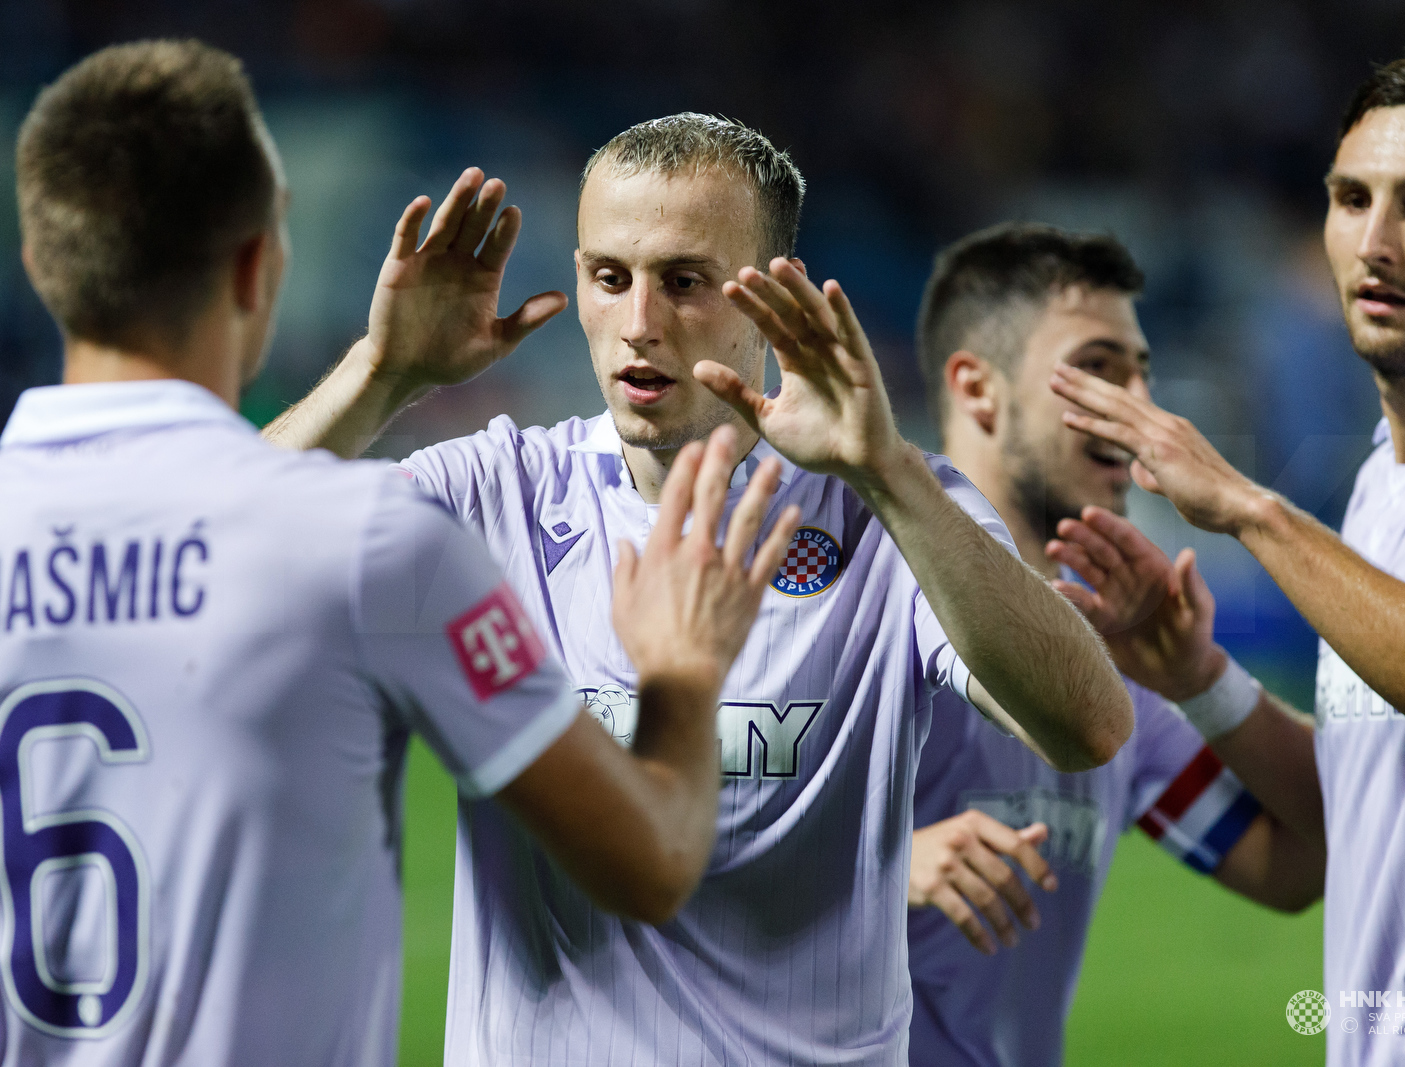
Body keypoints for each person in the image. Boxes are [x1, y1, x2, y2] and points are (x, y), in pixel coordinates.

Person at [265, 113, 1133, 1064]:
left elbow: (1087, 725)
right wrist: (381, 374)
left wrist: (888, 474)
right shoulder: (498, 495)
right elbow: (227, 547)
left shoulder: (884, 507)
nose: (639, 322)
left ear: (770, 297)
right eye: (609, 278)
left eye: (684, 282)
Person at [1, 42, 796, 1065]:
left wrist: (382, 372)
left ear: (37, 258)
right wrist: (681, 672)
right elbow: (649, 862)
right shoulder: (373, 544)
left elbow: (203, 514)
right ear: (258, 266)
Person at [1049, 49, 1405, 1064]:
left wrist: (1252, 513)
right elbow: (1365, 802)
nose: (1373, 242)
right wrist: (1199, 678)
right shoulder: (1385, 486)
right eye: (1351, 199)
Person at [902, 223, 1325, 1067]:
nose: (1140, 410)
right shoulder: (850, 600)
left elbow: (1296, 862)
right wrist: (879, 865)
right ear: (978, 390)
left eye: (1141, 376)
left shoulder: (1106, 662)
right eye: (1098, 369)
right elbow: (660, 856)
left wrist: (1200, 678)